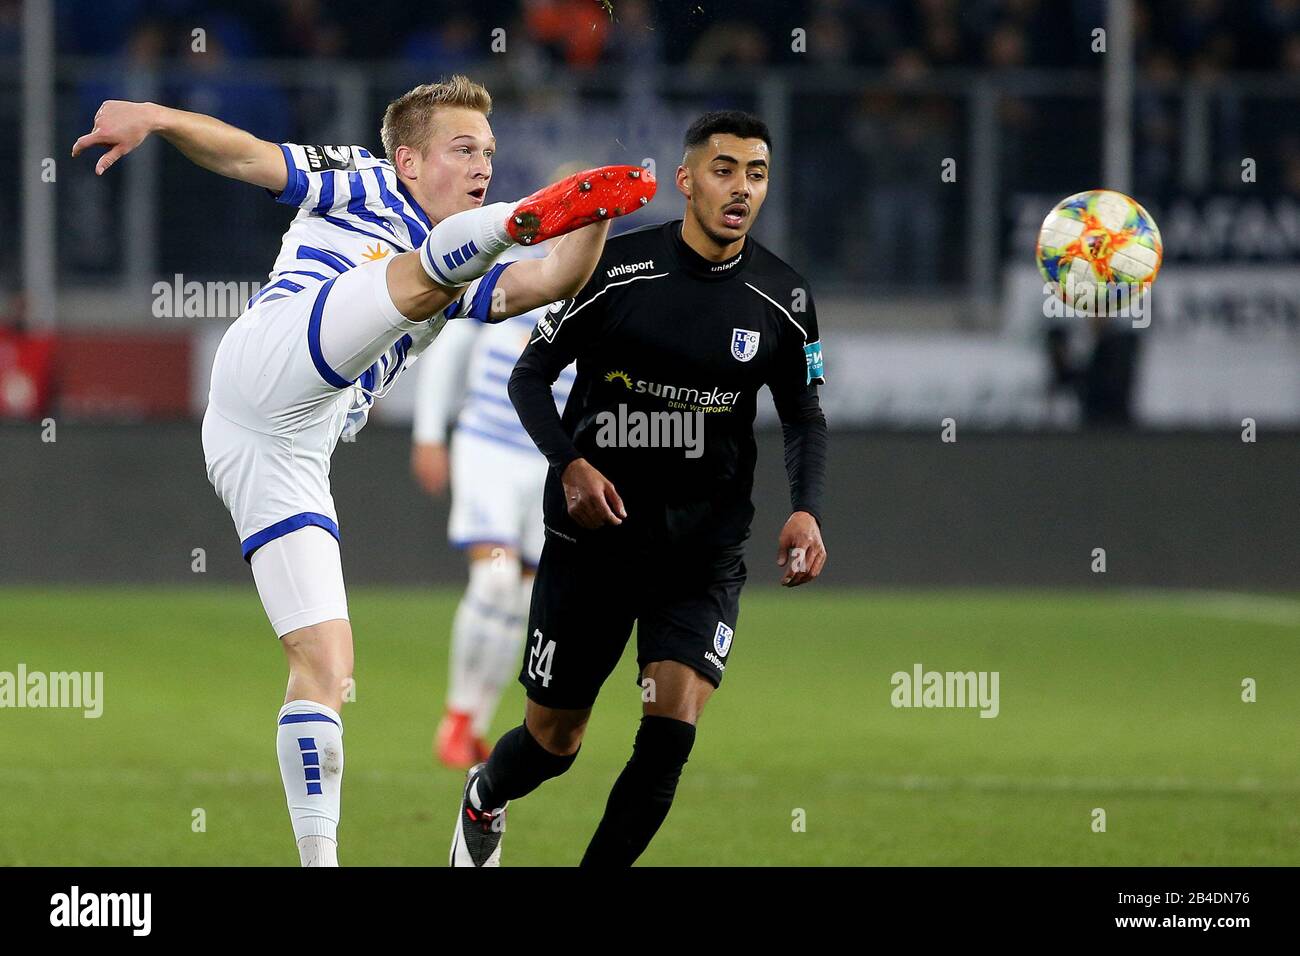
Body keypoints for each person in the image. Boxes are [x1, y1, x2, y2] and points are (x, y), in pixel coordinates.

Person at [72, 75, 654, 866]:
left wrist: (594, 216)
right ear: (408, 160)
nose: (482, 160)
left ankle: (320, 863)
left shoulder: (466, 261)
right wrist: (155, 116)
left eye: (488, 151)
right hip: (273, 355)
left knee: (326, 666)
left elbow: (547, 283)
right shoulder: (363, 178)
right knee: (418, 282)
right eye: (463, 149)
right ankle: (530, 217)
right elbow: (249, 159)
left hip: (285, 447)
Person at [449, 110, 828, 867]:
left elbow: (804, 415)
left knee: (668, 734)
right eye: (724, 170)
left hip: (702, 550)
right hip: (594, 542)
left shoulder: (784, 299)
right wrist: (571, 463)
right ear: (686, 181)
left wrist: (806, 509)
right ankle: (484, 798)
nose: (741, 189)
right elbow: (529, 377)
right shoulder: (616, 272)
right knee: (555, 743)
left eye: (756, 174)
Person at [410, 240, 576, 768]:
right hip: (488, 448)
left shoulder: (600, 287)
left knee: (527, 600)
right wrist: (430, 432)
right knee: (495, 580)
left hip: (546, 465)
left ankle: (475, 724)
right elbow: (452, 341)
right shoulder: (516, 271)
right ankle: (456, 716)